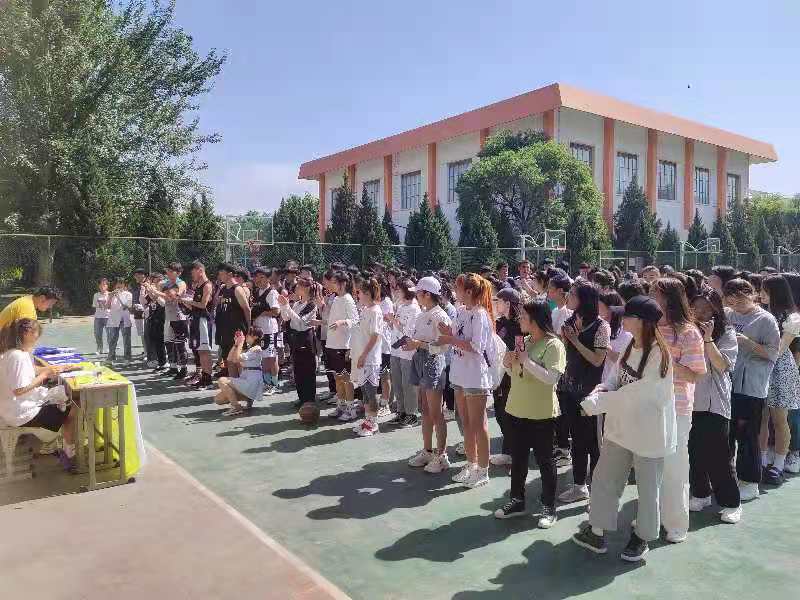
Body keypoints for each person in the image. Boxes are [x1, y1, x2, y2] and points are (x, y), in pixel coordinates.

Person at [573, 296, 675, 563]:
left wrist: (600, 403)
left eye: (627, 315)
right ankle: (596, 530)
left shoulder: (659, 355)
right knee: (605, 478)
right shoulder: (631, 344)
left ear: (641, 321)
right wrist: (601, 390)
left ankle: (642, 537)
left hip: (649, 434)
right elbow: (614, 378)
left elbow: (641, 394)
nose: (621, 318)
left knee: (648, 489)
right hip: (620, 429)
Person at [493, 300, 565, 528]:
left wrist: (527, 361)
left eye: (524, 316)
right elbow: (516, 373)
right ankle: (517, 500)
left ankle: (549, 506)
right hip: (517, 409)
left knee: (545, 460)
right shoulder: (522, 342)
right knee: (518, 458)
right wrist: (507, 364)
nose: (520, 319)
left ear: (536, 320)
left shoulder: (554, 345)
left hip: (542, 413)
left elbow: (551, 378)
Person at [650, 277, 707, 543]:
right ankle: (652, 517)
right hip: (647, 406)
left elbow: (696, 374)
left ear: (669, 299)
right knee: (651, 467)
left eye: (656, 294)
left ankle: (676, 524)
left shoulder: (688, 332)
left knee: (674, 469)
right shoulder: (649, 328)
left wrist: (664, 362)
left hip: (677, 409)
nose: (651, 298)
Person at [723, 278, 780, 501]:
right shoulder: (728, 314)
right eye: (731, 302)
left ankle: (750, 482)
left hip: (751, 386)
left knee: (748, 436)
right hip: (728, 382)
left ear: (751, 294)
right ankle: (727, 477)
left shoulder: (766, 319)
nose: (736, 307)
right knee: (726, 435)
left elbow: (773, 353)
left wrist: (748, 342)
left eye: (740, 301)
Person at [689, 287, 742, 524]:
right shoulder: (686, 330)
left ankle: (732, 503)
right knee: (694, 451)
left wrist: (708, 338)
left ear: (716, 310)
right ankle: (701, 494)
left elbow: (722, 365)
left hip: (714, 401)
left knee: (719, 454)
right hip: (689, 399)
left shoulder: (727, 333)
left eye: (705, 308)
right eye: (695, 308)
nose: (699, 313)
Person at [438, 274, 495, 489]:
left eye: (458, 288)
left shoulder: (480, 315)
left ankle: (483, 470)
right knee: (466, 423)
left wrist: (450, 338)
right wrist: (446, 331)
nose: (455, 291)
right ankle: (471, 465)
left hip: (475, 376)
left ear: (469, 292)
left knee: (478, 425)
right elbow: (455, 334)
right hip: (460, 375)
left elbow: (476, 347)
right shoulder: (461, 311)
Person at [0, 318, 78, 471]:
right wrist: (45, 376)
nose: (38, 338)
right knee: (73, 408)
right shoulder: (18, 357)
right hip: (20, 413)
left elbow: (32, 370)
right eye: (36, 334)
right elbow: (19, 390)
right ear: (28, 333)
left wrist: (58, 368)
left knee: (62, 398)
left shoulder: (12, 353)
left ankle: (58, 445)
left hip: (11, 408)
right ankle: (68, 452)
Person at [558, 281, 610, 504]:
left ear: (584, 299)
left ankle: (598, 490)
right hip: (570, 389)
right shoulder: (570, 321)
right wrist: (566, 339)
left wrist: (575, 340)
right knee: (577, 440)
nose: (568, 297)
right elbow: (566, 353)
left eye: (572, 294)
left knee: (594, 443)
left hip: (591, 393)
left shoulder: (601, 327)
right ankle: (579, 486)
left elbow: (598, 360)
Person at [406, 276, 452, 474]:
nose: (415, 295)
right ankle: (427, 451)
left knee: (436, 412)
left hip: (433, 362)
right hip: (420, 360)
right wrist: (413, 344)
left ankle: (442, 456)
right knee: (425, 409)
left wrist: (419, 344)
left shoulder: (440, 315)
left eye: (418, 292)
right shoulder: (423, 313)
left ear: (426, 294)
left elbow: (444, 345)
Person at [759, 274, 800, 484]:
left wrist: (754, 347)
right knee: (762, 418)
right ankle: (762, 460)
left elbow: (779, 349)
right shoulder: (759, 313)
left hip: (780, 370)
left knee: (779, 419)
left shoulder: (792, 318)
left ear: (776, 292)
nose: (760, 294)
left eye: (764, 290)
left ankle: (779, 464)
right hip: (759, 367)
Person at [489, 287, 522, 467]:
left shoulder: (519, 326)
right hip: (498, 374)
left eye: (498, 301)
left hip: (512, 375)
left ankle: (510, 452)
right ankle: (510, 448)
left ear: (508, 303)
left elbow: (520, 350)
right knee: (500, 412)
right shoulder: (499, 322)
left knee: (508, 414)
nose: (495, 303)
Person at [349, 278, 384, 437]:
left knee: (371, 392)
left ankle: (374, 423)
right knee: (364, 391)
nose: (358, 295)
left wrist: (364, 355)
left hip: (370, 359)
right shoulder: (365, 309)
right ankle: (367, 420)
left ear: (368, 294)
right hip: (362, 356)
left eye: (360, 293)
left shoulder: (376, 311)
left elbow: (375, 336)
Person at [278, 278, 320, 408]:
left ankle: (309, 399)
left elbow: (301, 322)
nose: (296, 288)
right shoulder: (297, 303)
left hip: (306, 338)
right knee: (298, 370)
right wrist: (283, 306)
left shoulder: (311, 304)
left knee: (307, 370)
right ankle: (302, 398)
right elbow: (286, 318)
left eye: (299, 286)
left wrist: (288, 307)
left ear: (306, 288)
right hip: (295, 338)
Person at [387, 279, 421, 427]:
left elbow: (409, 332)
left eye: (399, 290)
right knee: (397, 383)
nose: (396, 292)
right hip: (396, 350)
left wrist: (393, 321)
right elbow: (396, 327)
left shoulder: (415, 309)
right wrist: (391, 321)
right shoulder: (401, 306)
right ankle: (401, 412)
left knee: (408, 384)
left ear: (406, 291)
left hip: (407, 352)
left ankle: (411, 414)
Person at [326, 271, 359, 420]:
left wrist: (342, 322)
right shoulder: (336, 298)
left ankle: (351, 410)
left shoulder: (348, 299)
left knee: (346, 379)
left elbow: (356, 320)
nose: (331, 284)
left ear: (342, 283)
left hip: (344, 345)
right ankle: (341, 406)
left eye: (334, 282)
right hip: (332, 343)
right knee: (337, 378)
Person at [180, 261, 214, 389]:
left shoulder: (207, 285)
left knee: (204, 351)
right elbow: (194, 307)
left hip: (203, 321)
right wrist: (183, 301)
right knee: (200, 351)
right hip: (196, 319)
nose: (192, 275)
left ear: (200, 270)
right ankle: (203, 377)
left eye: (193, 272)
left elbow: (203, 305)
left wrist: (188, 300)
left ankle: (208, 379)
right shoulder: (198, 286)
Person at [215, 327, 264, 416]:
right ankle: (248, 399)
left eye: (248, 334)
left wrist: (241, 343)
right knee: (218, 399)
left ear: (255, 337)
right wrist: (236, 344)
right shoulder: (250, 349)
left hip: (250, 383)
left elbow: (237, 359)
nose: (246, 336)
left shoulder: (256, 348)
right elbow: (230, 359)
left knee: (221, 380)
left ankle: (236, 407)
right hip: (247, 383)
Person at [214, 263, 251, 378]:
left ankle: (244, 383)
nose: (220, 276)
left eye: (222, 274)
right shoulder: (224, 288)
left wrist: (248, 328)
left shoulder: (238, 289)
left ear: (230, 274)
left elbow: (247, 309)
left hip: (237, 330)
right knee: (228, 360)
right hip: (225, 329)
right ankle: (233, 383)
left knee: (238, 359)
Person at [251, 267, 281, 395]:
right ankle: (266, 382)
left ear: (268, 278)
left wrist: (262, 313)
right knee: (263, 358)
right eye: (257, 277)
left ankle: (274, 384)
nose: (258, 279)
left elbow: (276, 311)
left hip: (269, 330)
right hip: (259, 331)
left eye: (262, 277)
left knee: (271, 358)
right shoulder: (257, 292)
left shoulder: (272, 293)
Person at [106, 278, 133, 363]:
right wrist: (110, 297)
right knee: (112, 339)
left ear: (124, 285)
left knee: (126, 340)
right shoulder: (111, 294)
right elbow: (107, 307)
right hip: (114, 319)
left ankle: (127, 358)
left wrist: (118, 296)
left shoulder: (128, 294)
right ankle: (111, 357)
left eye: (121, 283)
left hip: (125, 319)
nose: (119, 285)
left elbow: (126, 306)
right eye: (117, 283)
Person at [144, 273, 167, 370]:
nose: (155, 283)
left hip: (163, 317)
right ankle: (161, 362)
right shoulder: (157, 291)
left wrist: (153, 291)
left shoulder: (165, 290)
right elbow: (152, 299)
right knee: (157, 340)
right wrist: (149, 290)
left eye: (157, 281)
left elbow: (163, 303)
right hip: (155, 317)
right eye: (154, 281)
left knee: (162, 341)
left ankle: (166, 362)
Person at [91, 278, 111, 355]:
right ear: (99, 286)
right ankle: (99, 348)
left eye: (104, 284)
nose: (103, 286)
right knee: (97, 334)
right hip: (98, 317)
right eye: (101, 284)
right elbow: (94, 305)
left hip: (108, 317)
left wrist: (106, 305)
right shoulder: (96, 295)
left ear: (107, 286)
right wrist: (100, 304)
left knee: (109, 334)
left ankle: (109, 348)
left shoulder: (110, 294)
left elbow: (111, 306)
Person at [131, 268, 148, 358]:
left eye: (137, 275)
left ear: (143, 275)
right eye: (135, 275)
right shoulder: (135, 286)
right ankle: (146, 351)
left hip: (148, 314)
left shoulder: (148, 285)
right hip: (138, 313)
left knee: (147, 333)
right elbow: (134, 300)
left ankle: (150, 352)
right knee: (142, 333)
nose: (135, 277)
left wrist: (142, 307)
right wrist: (134, 305)